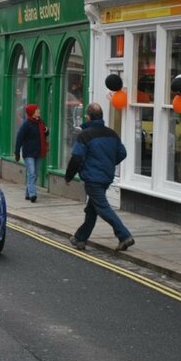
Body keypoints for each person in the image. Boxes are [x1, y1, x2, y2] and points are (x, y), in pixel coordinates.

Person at [65, 103, 135, 252]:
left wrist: (68, 176)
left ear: (88, 116)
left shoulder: (85, 135)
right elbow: (122, 153)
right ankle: (80, 238)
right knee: (92, 210)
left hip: (92, 178)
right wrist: (109, 164)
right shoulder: (112, 133)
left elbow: (76, 157)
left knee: (102, 208)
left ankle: (124, 236)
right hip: (106, 177)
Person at [14, 103, 49, 203]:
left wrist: (46, 131)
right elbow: (19, 138)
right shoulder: (26, 124)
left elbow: (45, 133)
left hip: (38, 152)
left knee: (34, 174)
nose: (39, 111)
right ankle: (33, 194)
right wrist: (17, 152)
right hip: (29, 153)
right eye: (37, 110)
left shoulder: (40, 122)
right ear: (32, 112)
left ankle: (28, 193)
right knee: (32, 173)